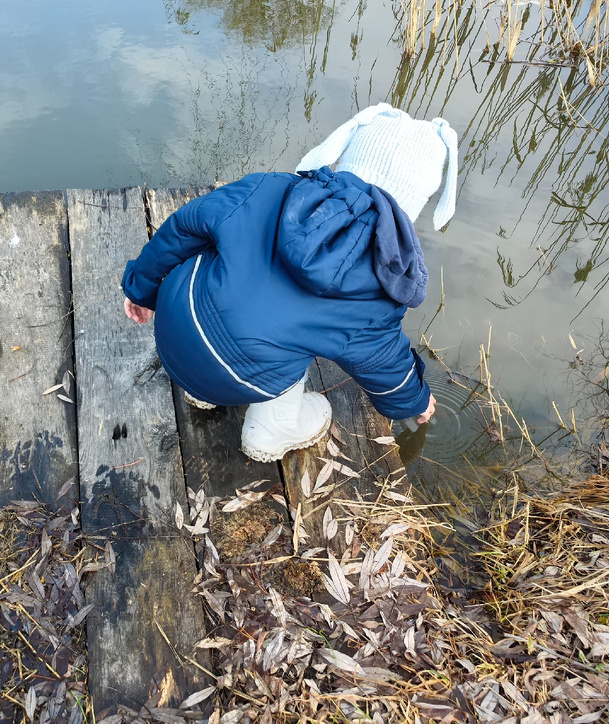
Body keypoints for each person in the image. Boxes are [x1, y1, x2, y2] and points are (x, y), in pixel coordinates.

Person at [121, 103, 458, 462]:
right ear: (413, 204)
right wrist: (416, 400)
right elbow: (383, 361)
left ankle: (200, 392)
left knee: (216, 265)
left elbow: (186, 224)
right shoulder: (382, 284)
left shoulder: (275, 187)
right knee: (293, 333)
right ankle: (271, 431)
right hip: (239, 375)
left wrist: (142, 287)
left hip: (174, 326)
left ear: (348, 157)